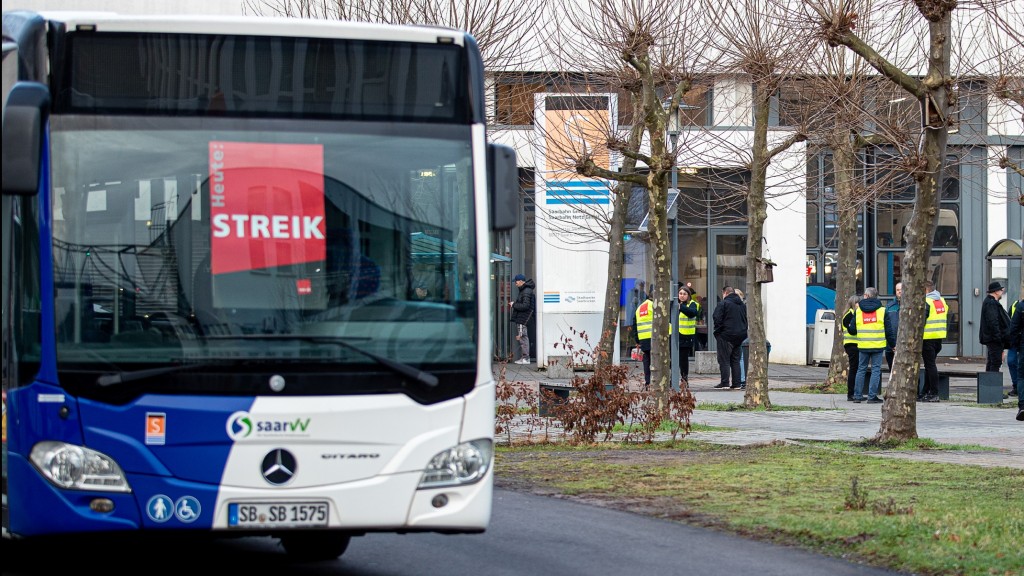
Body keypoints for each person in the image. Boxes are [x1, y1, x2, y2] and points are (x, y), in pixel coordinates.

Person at [851, 286, 886, 404]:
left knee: (861, 369)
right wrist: (892, 344)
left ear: (866, 296)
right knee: (876, 370)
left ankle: (857, 396)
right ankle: (872, 397)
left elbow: (852, 329)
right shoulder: (882, 310)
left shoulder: (858, 311)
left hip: (863, 345)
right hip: (878, 345)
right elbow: (889, 329)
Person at [712, 285, 747, 390]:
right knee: (735, 360)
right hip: (740, 336)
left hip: (726, 336)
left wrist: (718, 332)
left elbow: (717, 318)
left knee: (724, 360)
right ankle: (736, 383)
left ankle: (725, 383)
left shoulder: (723, 304)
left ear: (725, 293)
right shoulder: (742, 305)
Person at [921, 280, 948, 402]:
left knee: (930, 366)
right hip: (939, 337)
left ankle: (933, 393)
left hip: (928, 337)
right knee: (929, 365)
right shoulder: (941, 301)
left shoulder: (926, 302)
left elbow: (922, 320)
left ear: (925, 290)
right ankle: (926, 391)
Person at [979, 281, 1009, 374]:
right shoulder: (991, 303)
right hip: (994, 339)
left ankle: (988, 385)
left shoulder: (990, 302)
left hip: (992, 338)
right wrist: (998, 339)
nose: (1002, 292)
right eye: (1000, 290)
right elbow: (993, 322)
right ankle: (992, 386)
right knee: (995, 362)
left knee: (992, 361)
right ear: (996, 292)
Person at [675, 285, 700, 384]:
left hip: (686, 336)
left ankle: (684, 379)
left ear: (688, 295)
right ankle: (672, 379)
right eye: (680, 294)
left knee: (683, 360)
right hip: (675, 334)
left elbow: (692, 313)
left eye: (684, 294)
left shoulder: (692, 304)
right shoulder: (675, 304)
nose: (682, 296)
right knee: (672, 359)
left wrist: (681, 307)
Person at [509, 274, 535, 364]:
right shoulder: (525, 290)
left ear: (520, 281)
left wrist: (514, 305)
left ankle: (525, 358)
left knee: (523, 337)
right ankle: (525, 357)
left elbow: (525, 306)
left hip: (523, 318)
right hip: (523, 317)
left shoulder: (526, 291)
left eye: (516, 282)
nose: (515, 284)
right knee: (523, 337)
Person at [1005, 294, 1024, 420]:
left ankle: (1023, 406)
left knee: (1022, 376)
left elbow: (1014, 328)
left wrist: (1016, 345)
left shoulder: (1021, 305)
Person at [841, 294, 861, 401]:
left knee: (856, 369)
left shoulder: (850, 314)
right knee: (854, 369)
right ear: (854, 303)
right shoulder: (849, 315)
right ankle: (851, 393)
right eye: (858, 303)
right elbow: (852, 331)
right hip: (852, 345)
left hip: (852, 345)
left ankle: (854, 392)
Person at [634, 289, 654, 389]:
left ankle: (648, 382)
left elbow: (635, 324)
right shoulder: (655, 306)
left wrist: (637, 340)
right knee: (656, 361)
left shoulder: (640, 307)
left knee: (647, 361)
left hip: (644, 338)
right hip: (655, 338)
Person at [884, 282, 902, 372]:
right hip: (891, 342)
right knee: (892, 368)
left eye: (901, 290)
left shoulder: (911, 306)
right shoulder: (889, 307)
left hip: (904, 342)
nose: (899, 292)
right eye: (897, 290)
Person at [1006, 297, 1020, 398]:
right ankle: (1016, 386)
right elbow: (1008, 322)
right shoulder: (1015, 305)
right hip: (1014, 340)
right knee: (1011, 361)